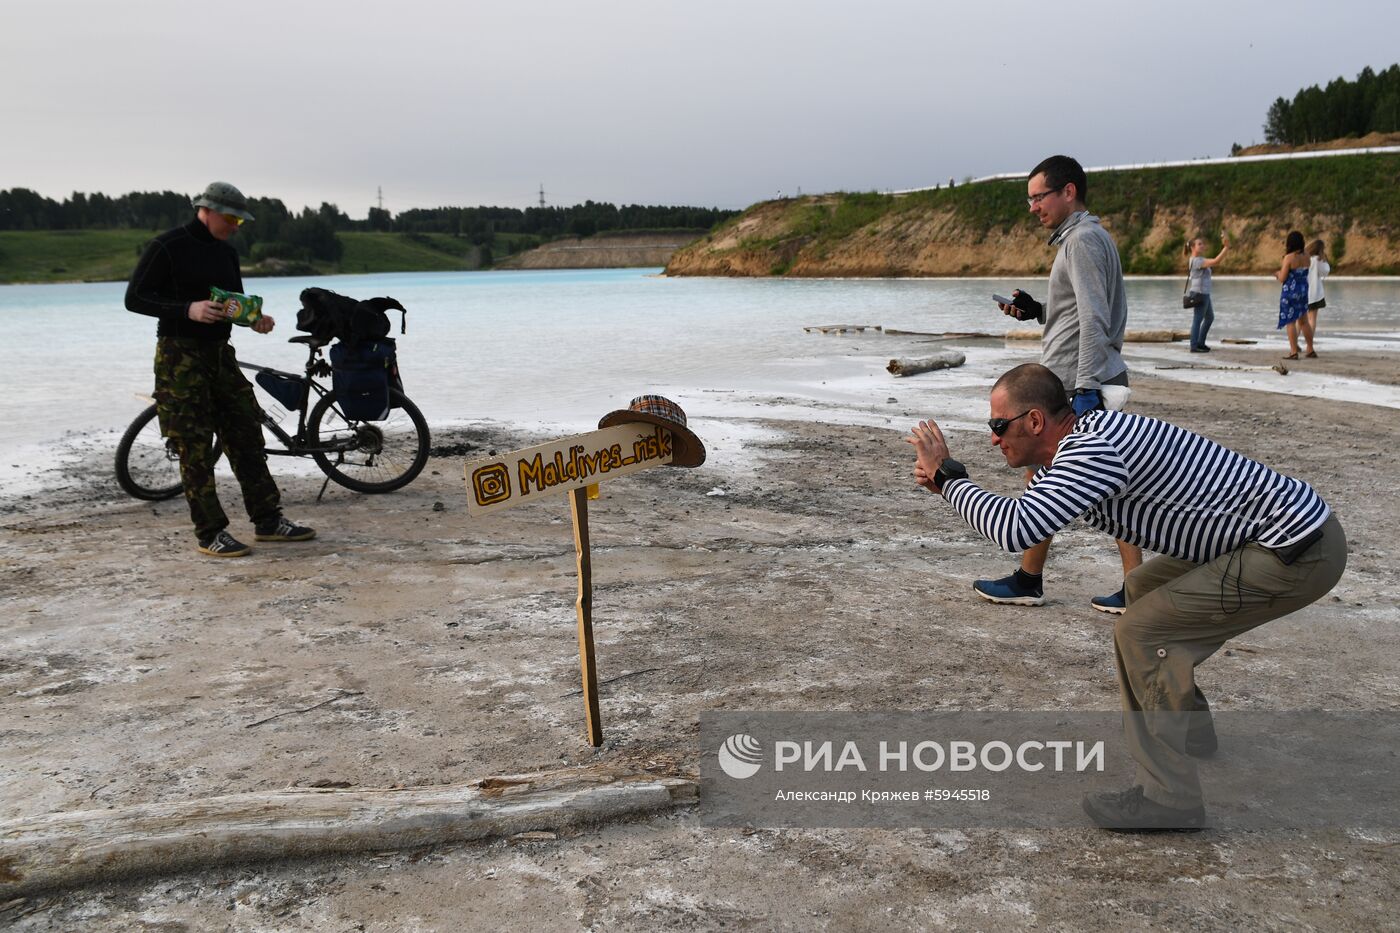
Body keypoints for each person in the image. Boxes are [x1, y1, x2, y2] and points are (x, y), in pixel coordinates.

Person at [906, 363, 1346, 830]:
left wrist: (951, 478)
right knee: (1142, 589)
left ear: (1035, 422)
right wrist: (947, 487)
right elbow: (1029, 511)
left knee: (1140, 632)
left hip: (1293, 549)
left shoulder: (1092, 448)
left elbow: (1017, 529)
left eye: (998, 426)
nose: (994, 439)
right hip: (1272, 539)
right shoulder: (1080, 443)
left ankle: (1169, 798)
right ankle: (1191, 729)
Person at [983, 155, 1142, 614]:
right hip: (1075, 378)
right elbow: (1078, 312)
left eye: (1039, 197)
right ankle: (1030, 577)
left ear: (1068, 192)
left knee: (1108, 489)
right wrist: (1038, 311)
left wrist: (1087, 388)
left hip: (1078, 383)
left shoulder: (1082, 240)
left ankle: (1125, 586)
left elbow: (1096, 317)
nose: (1033, 207)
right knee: (1050, 477)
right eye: (1029, 199)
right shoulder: (1083, 238)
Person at [125, 181, 316, 557]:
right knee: (194, 447)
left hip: (219, 354)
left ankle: (268, 521)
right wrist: (187, 309)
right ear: (206, 210)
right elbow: (135, 298)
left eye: (240, 222)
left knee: (246, 433)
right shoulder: (167, 246)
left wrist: (255, 320)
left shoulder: (227, 253)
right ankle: (210, 532)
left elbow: (235, 304)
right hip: (179, 356)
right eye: (231, 219)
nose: (234, 227)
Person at [1184, 234, 1229, 352]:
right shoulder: (1197, 261)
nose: (1202, 246)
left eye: (1202, 244)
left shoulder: (1199, 260)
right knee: (1197, 319)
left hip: (1204, 293)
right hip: (1199, 294)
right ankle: (1194, 346)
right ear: (1192, 248)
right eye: (1199, 244)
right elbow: (1216, 261)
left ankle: (1200, 342)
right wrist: (1226, 248)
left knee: (1209, 318)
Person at [1275, 230, 1315, 360]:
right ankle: (1310, 349)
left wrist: (1277, 274)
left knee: (1290, 321)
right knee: (1304, 322)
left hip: (1290, 293)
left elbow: (1283, 278)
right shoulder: (1307, 256)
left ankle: (1293, 351)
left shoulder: (1289, 258)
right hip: (1303, 291)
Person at [1305, 239, 1329, 344]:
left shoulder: (1304, 258)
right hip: (1315, 294)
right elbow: (1325, 271)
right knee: (1312, 319)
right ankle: (1309, 343)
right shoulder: (1317, 260)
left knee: (1299, 319)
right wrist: (1325, 260)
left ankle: (1295, 343)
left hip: (1302, 292)